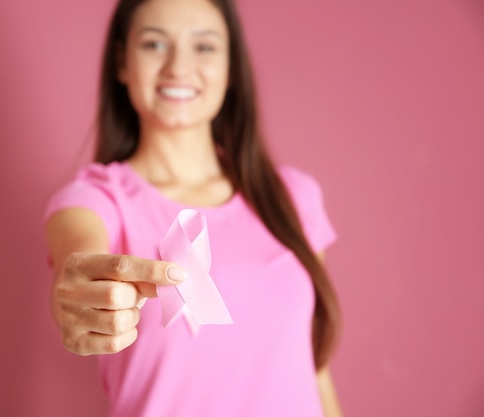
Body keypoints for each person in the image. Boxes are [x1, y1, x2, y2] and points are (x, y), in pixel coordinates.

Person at [43, 0, 343, 415]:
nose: (178, 68)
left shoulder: (293, 196)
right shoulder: (95, 199)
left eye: (204, 47)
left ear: (231, 67)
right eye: (154, 45)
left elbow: (314, 371)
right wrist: (76, 298)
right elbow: (77, 262)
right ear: (121, 62)